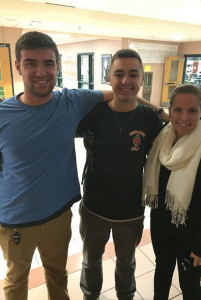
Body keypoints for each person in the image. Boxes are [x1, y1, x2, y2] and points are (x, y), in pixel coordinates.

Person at [0, 31, 113, 300]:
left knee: (58, 275)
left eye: (48, 63)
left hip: (58, 217)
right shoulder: (3, 114)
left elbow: (119, 91)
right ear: (18, 66)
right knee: (16, 280)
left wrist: (161, 113)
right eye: (31, 63)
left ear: (57, 67)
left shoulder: (71, 101)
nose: (41, 72)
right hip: (15, 219)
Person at [77, 49, 165, 300]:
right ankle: (90, 295)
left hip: (131, 210)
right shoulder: (94, 114)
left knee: (126, 262)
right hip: (93, 208)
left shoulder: (149, 119)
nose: (126, 81)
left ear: (141, 80)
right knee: (90, 260)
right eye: (119, 74)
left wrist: (163, 113)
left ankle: (125, 296)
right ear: (109, 77)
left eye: (133, 74)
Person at [142, 84, 201, 300]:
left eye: (192, 111)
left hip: (193, 234)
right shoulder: (162, 138)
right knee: (162, 274)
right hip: (161, 227)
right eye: (178, 110)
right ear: (170, 110)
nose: (184, 117)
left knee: (189, 286)